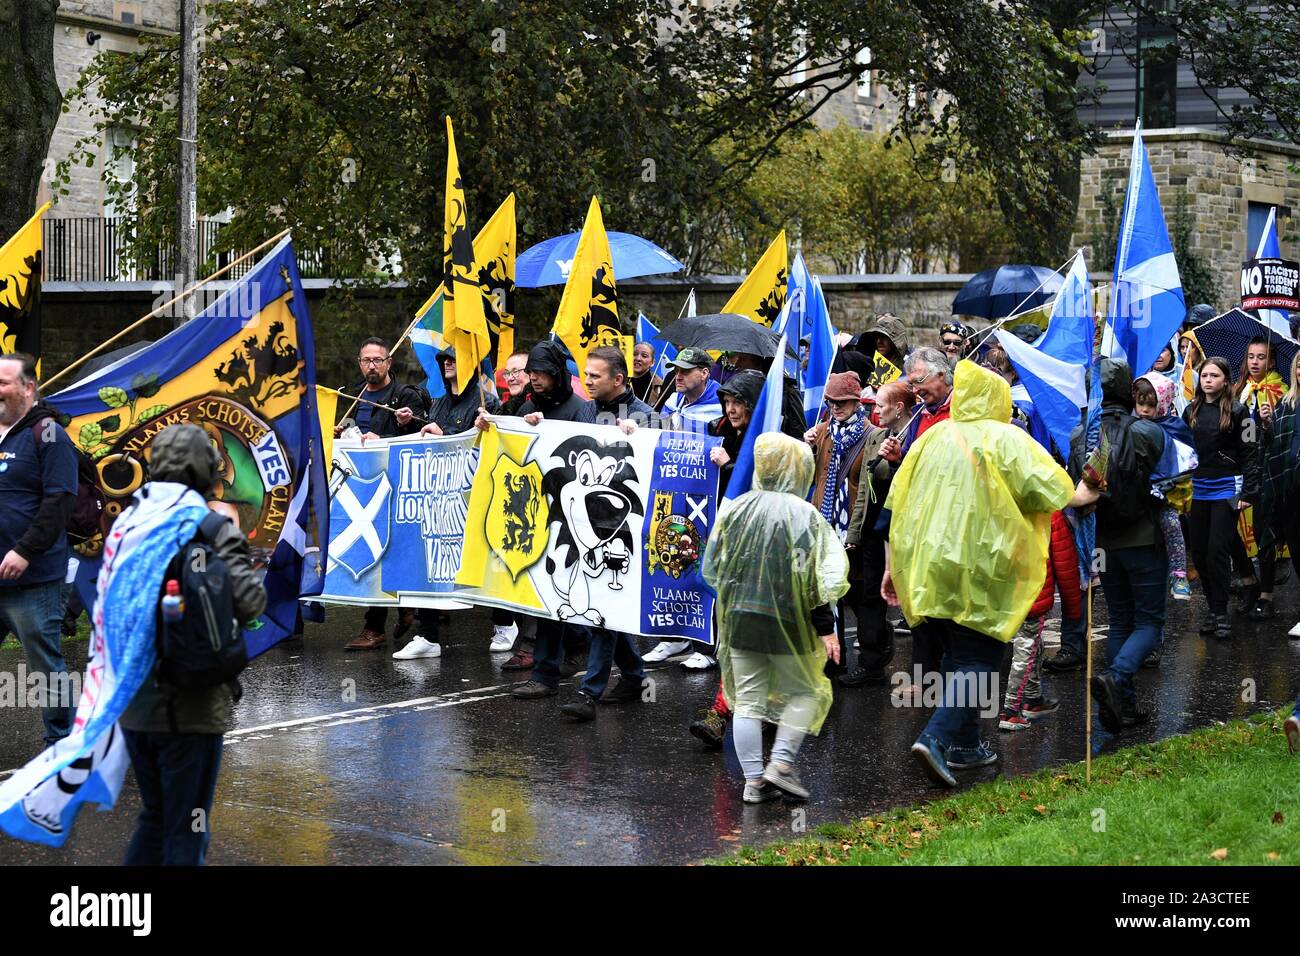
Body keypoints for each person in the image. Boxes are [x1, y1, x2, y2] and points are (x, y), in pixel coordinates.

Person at [885, 360, 1097, 787]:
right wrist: (1095, 481)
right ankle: (937, 737)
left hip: (927, 568)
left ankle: (966, 746)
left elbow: (897, 500)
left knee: (954, 656)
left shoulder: (933, 438)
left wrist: (894, 568)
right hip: (981, 570)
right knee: (980, 659)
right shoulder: (1007, 439)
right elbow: (1061, 493)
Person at [118, 424, 267, 865]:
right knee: (188, 825)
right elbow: (250, 601)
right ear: (207, 472)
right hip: (193, 701)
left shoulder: (128, 525)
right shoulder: (213, 528)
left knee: (155, 816)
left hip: (133, 697)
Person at [704, 432, 849, 803]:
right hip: (788, 621)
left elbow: (712, 567)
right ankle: (780, 764)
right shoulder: (806, 517)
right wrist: (826, 630)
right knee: (804, 692)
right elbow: (820, 579)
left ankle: (754, 782)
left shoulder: (734, 510)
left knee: (748, 700)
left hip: (739, 619)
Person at [549, 346, 656, 722]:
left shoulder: (646, 416)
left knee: (604, 610)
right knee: (607, 611)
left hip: (623, 533)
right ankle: (634, 676)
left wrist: (638, 436)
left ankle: (588, 693)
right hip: (584, 529)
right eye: (586, 374)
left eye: (595, 376)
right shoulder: (585, 410)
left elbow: (657, 463)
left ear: (619, 379)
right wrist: (535, 427)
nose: (588, 381)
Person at [1069, 359, 1169, 734]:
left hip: (1103, 542)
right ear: (1130, 392)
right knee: (1148, 622)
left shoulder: (1081, 435)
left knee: (1121, 621)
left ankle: (1124, 707)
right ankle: (1116, 677)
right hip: (1142, 538)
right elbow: (1170, 475)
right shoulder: (1146, 431)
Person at [0, 353, 79, 746]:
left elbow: (60, 500)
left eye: (3, 383)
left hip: (34, 580)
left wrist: (24, 551)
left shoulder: (48, 434)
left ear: (28, 388)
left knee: (45, 666)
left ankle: (62, 746)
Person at [508, 340, 593, 700]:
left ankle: (579, 657)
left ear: (557, 374)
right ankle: (549, 668)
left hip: (571, 517)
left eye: (540, 373)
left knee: (566, 596)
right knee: (544, 595)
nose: (534, 379)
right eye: (531, 373)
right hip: (537, 515)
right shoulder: (527, 405)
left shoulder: (581, 409)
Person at [340, 338, 434, 654]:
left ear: (389, 363)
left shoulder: (405, 396)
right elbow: (344, 430)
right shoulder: (353, 396)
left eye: (378, 360)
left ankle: (377, 625)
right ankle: (398, 612)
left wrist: (403, 426)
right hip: (362, 487)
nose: (372, 366)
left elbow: (427, 434)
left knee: (394, 550)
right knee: (374, 551)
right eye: (366, 360)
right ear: (359, 363)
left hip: (396, 486)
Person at [687, 370, 765, 748]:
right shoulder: (721, 431)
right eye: (727, 402)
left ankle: (727, 713)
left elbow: (766, 483)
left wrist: (731, 466)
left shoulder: (770, 439)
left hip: (759, 554)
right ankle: (728, 711)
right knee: (730, 639)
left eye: (739, 403)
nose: (731, 410)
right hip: (728, 547)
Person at [841, 380, 913, 687]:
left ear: (898, 408)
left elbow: (912, 483)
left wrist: (898, 463)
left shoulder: (917, 435)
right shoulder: (877, 437)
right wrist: (855, 532)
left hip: (904, 529)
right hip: (874, 528)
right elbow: (863, 491)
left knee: (909, 597)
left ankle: (928, 675)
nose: (876, 411)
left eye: (880, 405)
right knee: (870, 594)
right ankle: (872, 662)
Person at [1182, 356, 1260, 639]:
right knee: (1200, 552)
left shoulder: (1239, 411)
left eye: (1214, 376)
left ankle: (1220, 612)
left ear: (1225, 380)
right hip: (1196, 489)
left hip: (1227, 487)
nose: (1208, 380)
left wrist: (1248, 491)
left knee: (1218, 550)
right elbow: (1182, 451)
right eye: (1204, 375)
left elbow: (1250, 453)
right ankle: (1214, 609)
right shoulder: (1189, 411)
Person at [806, 372, 874, 676]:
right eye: (832, 402)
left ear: (856, 401)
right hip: (825, 525)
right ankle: (835, 661)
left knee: (858, 596)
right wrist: (806, 447)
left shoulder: (872, 434)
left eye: (842, 402)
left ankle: (874, 656)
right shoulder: (822, 432)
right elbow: (806, 474)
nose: (836, 407)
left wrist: (856, 529)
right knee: (828, 594)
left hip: (855, 528)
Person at [997, 510, 1078, 731]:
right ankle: (1011, 711)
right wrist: (1073, 607)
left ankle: (1032, 699)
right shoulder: (1048, 511)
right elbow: (1065, 561)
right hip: (1032, 592)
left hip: (1003, 590)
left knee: (1033, 643)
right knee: (1026, 648)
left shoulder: (1000, 501)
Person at [1234, 336, 1285, 617]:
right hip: (1242, 467)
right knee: (1234, 530)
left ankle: (1266, 592)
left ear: (1272, 362)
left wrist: (1268, 422)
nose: (1255, 362)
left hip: (1267, 470)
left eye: (1261, 357)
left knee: (1264, 530)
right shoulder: (1241, 390)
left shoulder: (1280, 390)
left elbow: (1281, 436)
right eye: (1251, 356)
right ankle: (1247, 578)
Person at [1133, 373, 1193, 603]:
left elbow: (1184, 460)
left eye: (1151, 405)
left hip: (1166, 493)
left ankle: (1179, 574)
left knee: (1171, 524)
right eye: (1141, 403)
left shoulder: (1174, 426)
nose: (1145, 410)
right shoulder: (1132, 424)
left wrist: (1165, 485)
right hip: (1137, 493)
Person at [1258, 350, 1300, 637]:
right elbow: (1273, 446)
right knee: (1298, 551)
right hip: (1292, 490)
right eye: (1299, 368)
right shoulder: (1286, 404)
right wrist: (1266, 424)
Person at [420, 344, 501, 437]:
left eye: (453, 359)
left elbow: (489, 441)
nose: (446, 363)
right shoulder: (437, 404)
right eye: (445, 359)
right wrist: (408, 422)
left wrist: (444, 435)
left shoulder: (487, 402)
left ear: (468, 364)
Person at [662, 348, 722, 431]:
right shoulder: (673, 401)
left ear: (704, 373)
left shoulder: (721, 406)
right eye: (676, 371)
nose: (678, 377)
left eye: (685, 371)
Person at [631, 341, 665, 406]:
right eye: (634, 354)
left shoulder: (660, 387)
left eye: (644, 356)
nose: (638, 358)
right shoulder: (619, 382)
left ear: (652, 362)